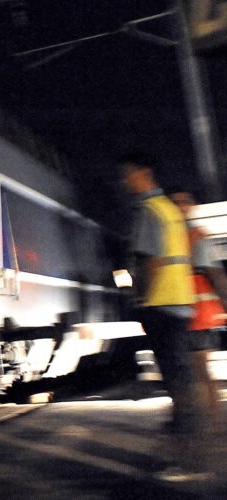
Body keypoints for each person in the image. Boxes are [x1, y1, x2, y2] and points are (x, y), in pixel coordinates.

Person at [118, 154, 200, 444]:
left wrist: (141, 297)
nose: (125, 181)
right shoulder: (169, 209)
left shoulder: (148, 210)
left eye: (128, 174)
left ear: (145, 173)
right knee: (178, 364)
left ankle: (187, 423)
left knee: (171, 366)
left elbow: (149, 260)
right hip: (180, 299)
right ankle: (186, 419)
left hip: (160, 302)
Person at [167, 188, 227, 431]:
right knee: (196, 372)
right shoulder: (175, 235)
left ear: (192, 206)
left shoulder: (195, 236)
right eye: (176, 202)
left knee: (200, 371)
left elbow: (215, 274)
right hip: (183, 312)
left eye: (185, 201)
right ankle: (210, 422)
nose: (181, 206)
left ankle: (212, 423)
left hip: (197, 314)